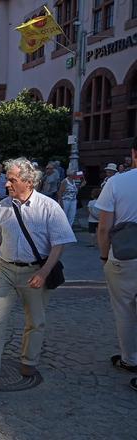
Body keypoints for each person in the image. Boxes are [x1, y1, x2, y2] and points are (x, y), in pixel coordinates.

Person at [0, 158, 76, 388]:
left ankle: (28, 360)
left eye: (12, 180)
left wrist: (44, 272)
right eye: (8, 180)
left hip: (35, 271)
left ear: (29, 182)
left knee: (36, 321)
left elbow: (59, 244)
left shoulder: (49, 207)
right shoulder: (3, 207)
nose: (7, 185)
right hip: (5, 270)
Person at [96, 136, 137, 390]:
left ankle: (130, 358)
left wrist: (103, 255)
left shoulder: (117, 183)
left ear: (133, 152)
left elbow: (103, 227)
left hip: (125, 255)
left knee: (123, 308)